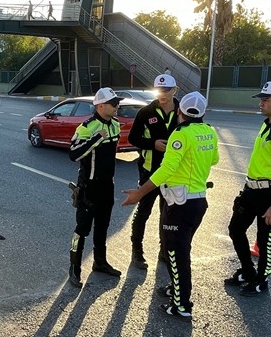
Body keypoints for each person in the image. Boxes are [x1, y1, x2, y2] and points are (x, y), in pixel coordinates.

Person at [121, 91, 218, 318]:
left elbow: (166, 169)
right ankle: (177, 290)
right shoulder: (208, 132)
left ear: (180, 112)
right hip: (198, 201)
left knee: (175, 253)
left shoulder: (180, 134)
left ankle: (181, 304)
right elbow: (214, 160)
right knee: (181, 250)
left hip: (179, 203)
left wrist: (140, 193)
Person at [226, 81, 271, 295]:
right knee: (235, 229)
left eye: (265, 100)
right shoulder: (268, 123)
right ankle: (248, 272)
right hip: (252, 190)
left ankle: (261, 280)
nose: (261, 103)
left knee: (267, 241)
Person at [68, 87, 124, 287]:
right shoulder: (87, 127)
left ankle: (100, 262)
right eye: (114, 103)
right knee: (81, 229)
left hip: (107, 186)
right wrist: (95, 139)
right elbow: (73, 154)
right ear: (101, 106)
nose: (118, 106)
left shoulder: (116, 124)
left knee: (103, 227)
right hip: (89, 187)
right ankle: (74, 267)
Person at [127, 72, 180, 269]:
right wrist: (152, 144)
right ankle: (137, 252)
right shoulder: (146, 112)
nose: (162, 94)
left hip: (173, 173)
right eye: (159, 90)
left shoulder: (183, 111)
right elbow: (133, 139)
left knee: (167, 214)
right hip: (149, 172)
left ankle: (164, 250)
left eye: (167, 90)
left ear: (175, 90)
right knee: (143, 212)